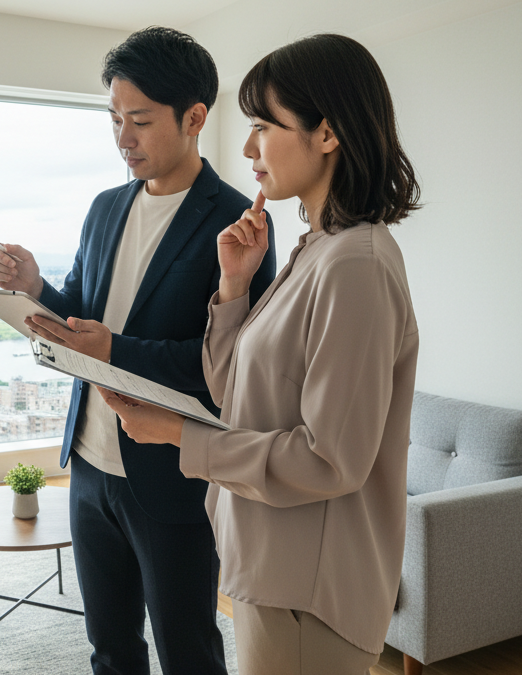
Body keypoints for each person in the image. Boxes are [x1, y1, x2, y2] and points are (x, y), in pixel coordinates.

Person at [99, 33, 421, 675]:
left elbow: (330, 460)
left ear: (326, 134)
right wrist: (234, 289)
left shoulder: (354, 264)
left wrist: (177, 435)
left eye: (262, 125)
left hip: (308, 588)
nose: (246, 147)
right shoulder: (316, 249)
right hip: (274, 567)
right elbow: (233, 392)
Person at [0, 26, 276, 675]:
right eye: (116, 119)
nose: (123, 137)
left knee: (188, 652)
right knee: (110, 649)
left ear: (195, 117)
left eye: (141, 120)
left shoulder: (238, 226)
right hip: (90, 468)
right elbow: (83, 315)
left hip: (174, 478)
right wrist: (35, 288)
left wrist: (115, 346)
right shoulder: (102, 208)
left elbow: (229, 369)